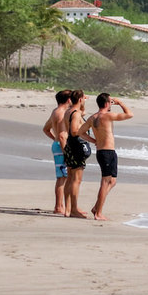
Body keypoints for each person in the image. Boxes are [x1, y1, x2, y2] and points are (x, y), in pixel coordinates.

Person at [76, 92, 132, 221]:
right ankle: (98, 213)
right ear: (107, 103)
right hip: (106, 152)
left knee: (112, 181)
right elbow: (129, 114)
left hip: (106, 151)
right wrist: (120, 103)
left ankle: (97, 207)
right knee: (105, 182)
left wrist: (94, 140)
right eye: (110, 102)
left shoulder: (92, 117)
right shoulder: (107, 116)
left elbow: (80, 132)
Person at [42, 89, 71, 215]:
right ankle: (59, 206)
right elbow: (61, 135)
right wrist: (65, 149)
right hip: (61, 146)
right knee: (62, 177)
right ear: (68, 100)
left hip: (58, 144)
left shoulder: (56, 111)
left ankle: (62, 206)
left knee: (64, 176)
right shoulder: (61, 113)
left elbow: (46, 129)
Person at [62, 89, 91, 218]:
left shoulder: (68, 111)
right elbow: (74, 131)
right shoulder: (76, 113)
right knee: (76, 180)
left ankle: (68, 208)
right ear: (80, 99)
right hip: (76, 146)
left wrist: (82, 102)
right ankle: (73, 209)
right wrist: (87, 134)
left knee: (70, 178)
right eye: (83, 98)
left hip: (69, 145)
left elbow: (81, 112)